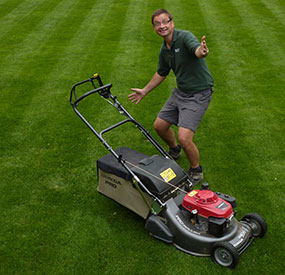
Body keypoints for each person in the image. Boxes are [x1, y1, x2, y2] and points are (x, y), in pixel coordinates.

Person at [128, 9, 214, 184]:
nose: (162, 26)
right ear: (154, 28)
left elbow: (197, 50)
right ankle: (174, 151)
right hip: (181, 92)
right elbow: (161, 73)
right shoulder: (164, 50)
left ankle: (196, 170)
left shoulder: (184, 37)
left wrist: (202, 51)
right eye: (157, 24)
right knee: (159, 125)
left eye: (165, 22)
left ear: (172, 22)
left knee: (184, 136)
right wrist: (144, 91)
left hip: (198, 94)